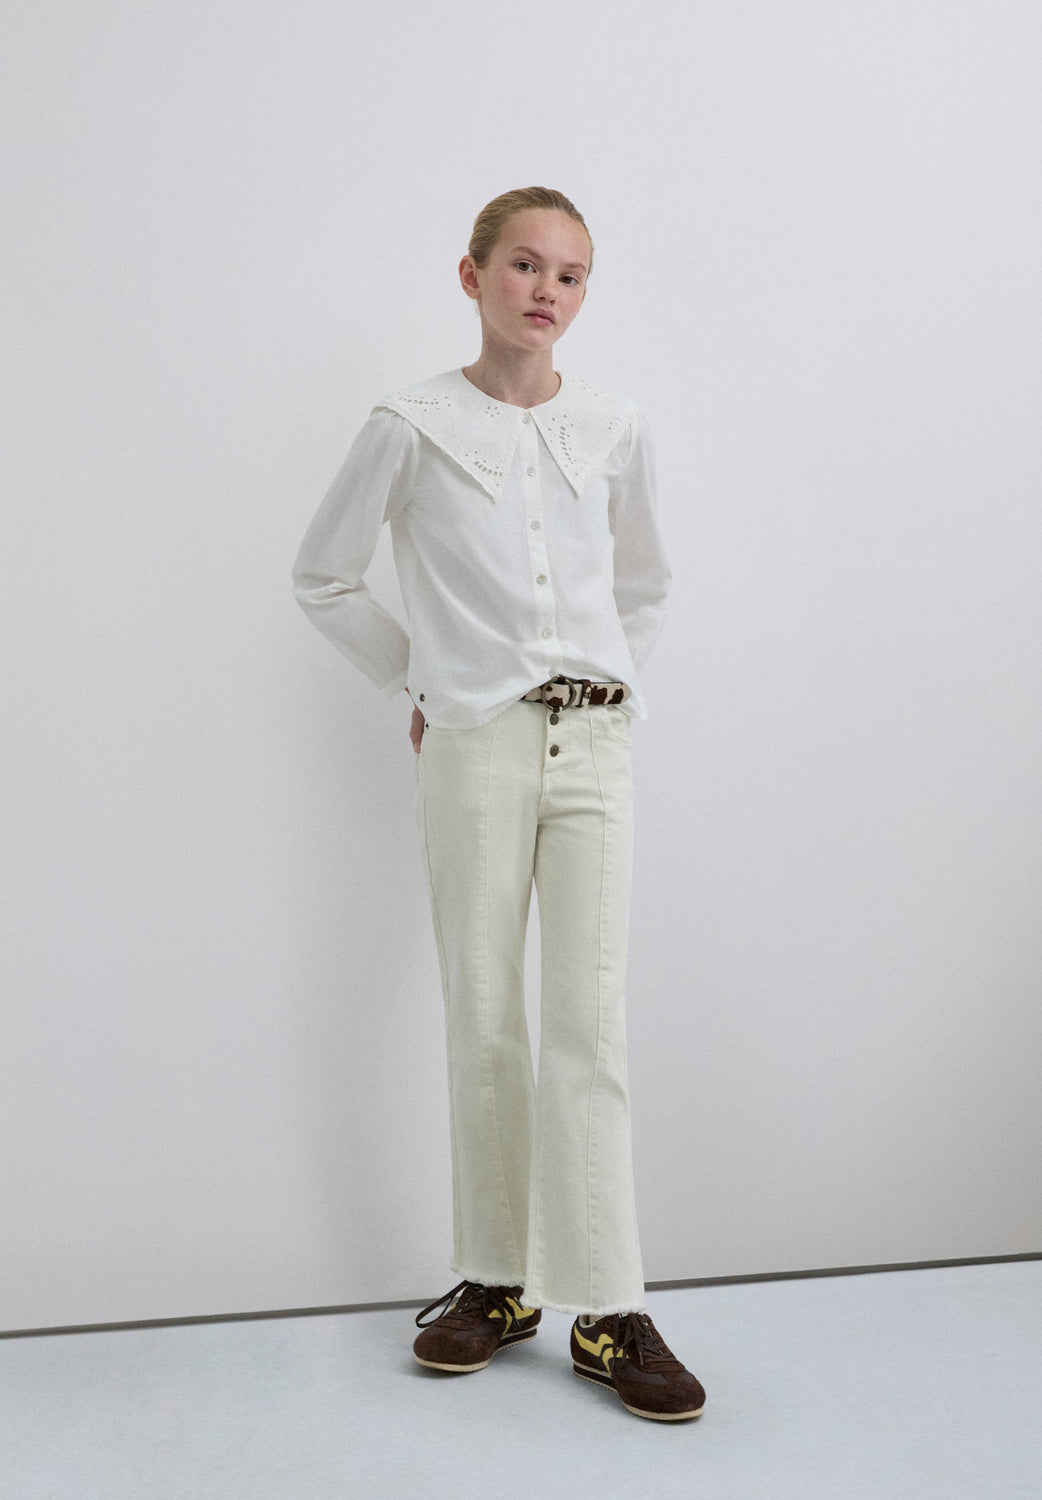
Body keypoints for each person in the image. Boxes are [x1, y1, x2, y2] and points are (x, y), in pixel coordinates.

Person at [292, 186, 705, 1422]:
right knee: (483, 1013)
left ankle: (608, 1306)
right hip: (474, 746)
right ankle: (494, 1279)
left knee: (590, 1023)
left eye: (570, 275)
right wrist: (420, 680)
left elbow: (646, 583)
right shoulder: (410, 425)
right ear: (471, 275)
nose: (546, 291)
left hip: (595, 745)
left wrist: (610, 688)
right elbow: (322, 575)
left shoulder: (615, 425)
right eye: (524, 265)